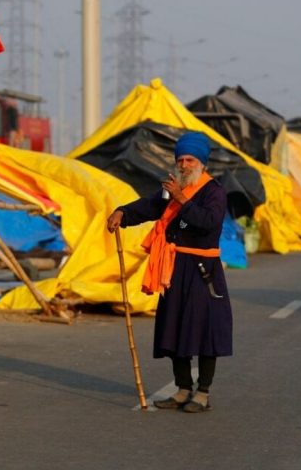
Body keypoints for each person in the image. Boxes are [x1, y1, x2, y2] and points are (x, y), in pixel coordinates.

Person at [106, 131, 232, 413]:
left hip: (202, 270)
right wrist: (123, 213)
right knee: (175, 327)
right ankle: (182, 388)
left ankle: (202, 393)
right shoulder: (172, 188)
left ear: (201, 162)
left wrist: (182, 200)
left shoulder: (214, 192)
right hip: (173, 269)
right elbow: (151, 206)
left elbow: (207, 223)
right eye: (180, 160)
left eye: (189, 159)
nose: (184, 165)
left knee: (204, 331)